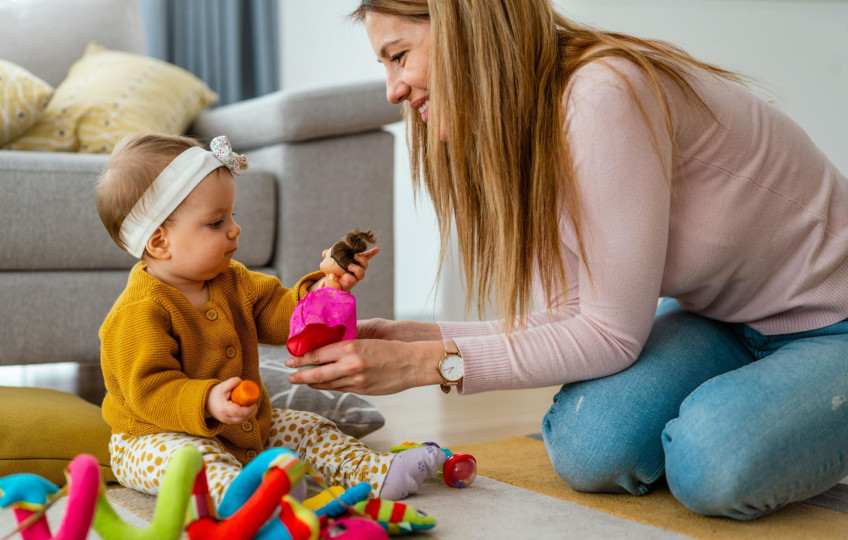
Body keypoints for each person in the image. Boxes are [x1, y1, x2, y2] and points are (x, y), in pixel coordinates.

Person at [286, 0, 848, 520]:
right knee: (590, 447)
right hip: (724, 319)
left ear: (465, 28)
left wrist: (422, 366)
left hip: (833, 322)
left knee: (711, 463)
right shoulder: (525, 130)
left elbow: (610, 336)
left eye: (400, 56)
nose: (391, 90)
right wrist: (409, 338)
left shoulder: (601, 93)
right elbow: (577, 315)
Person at [94, 133, 444, 505]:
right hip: (153, 438)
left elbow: (282, 314)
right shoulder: (139, 311)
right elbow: (150, 391)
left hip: (241, 429)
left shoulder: (234, 280)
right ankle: (250, 501)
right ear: (159, 242)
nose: (234, 228)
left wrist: (325, 289)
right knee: (192, 462)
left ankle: (377, 474)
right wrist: (208, 399)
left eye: (232, 215)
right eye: (216, 223)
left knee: (311, 428)